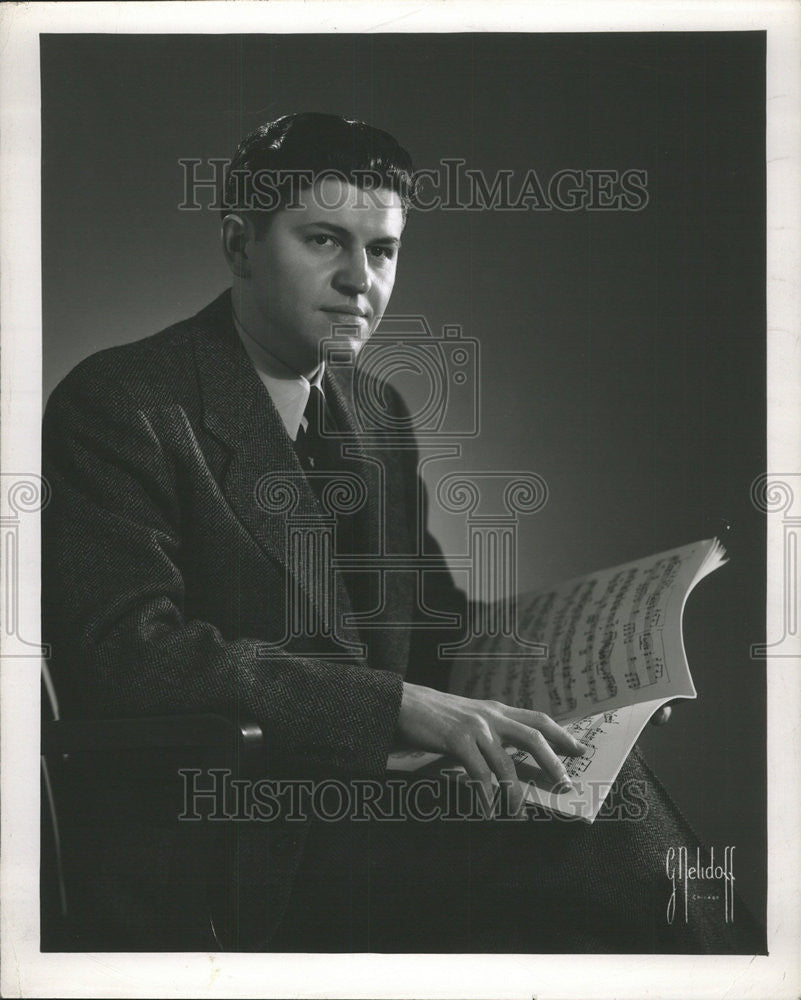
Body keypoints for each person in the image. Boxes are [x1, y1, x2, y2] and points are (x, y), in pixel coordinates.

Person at [42, 113, 758, 954]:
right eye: (323, 240)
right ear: (238, 245)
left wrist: (596, 685)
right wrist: (397, 707)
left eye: (381, 251)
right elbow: (126, 656)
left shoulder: (375, 412)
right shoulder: (122, 404)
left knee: (607, 790)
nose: (359, 280)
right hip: (223, 833)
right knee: (594, 839)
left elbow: (431, 627)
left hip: (364, 802)